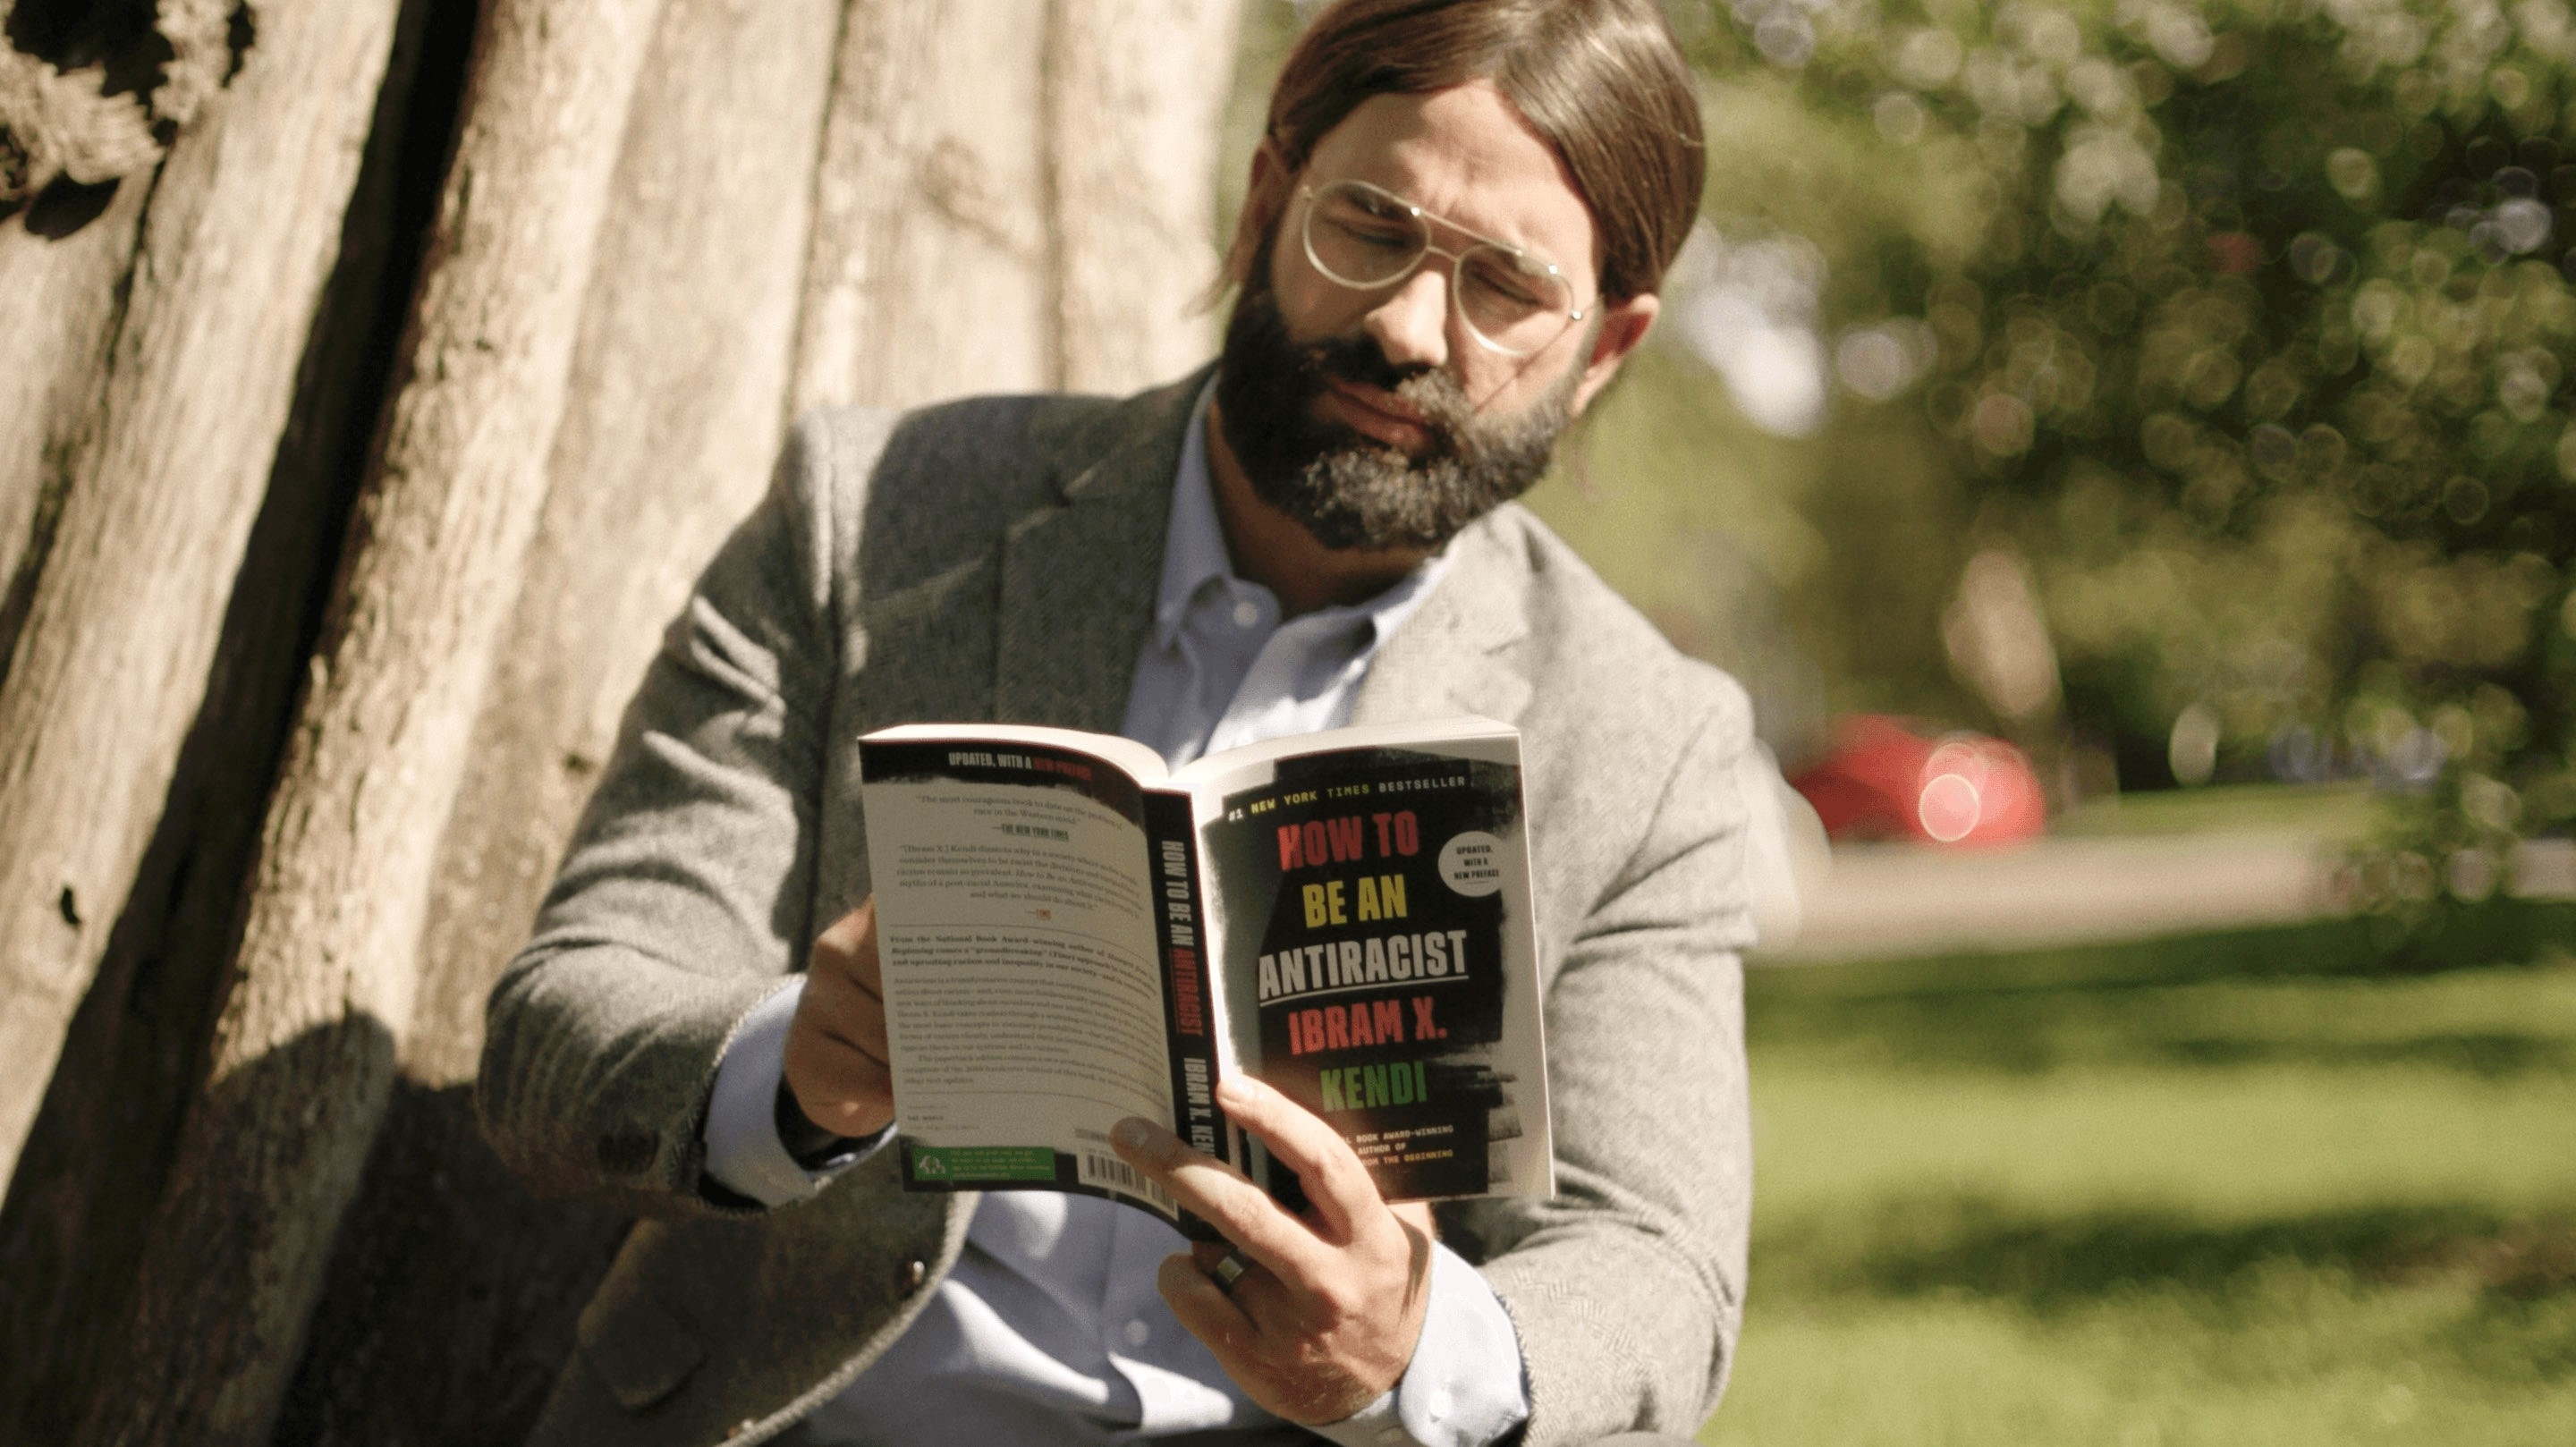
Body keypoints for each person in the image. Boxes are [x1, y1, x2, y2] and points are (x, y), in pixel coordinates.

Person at [478, 3, 1757, 1443]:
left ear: (1605, 347)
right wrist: (796, 1063)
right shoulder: (871, 515)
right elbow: (558, 1029)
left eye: (1506, 290)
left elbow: (1660, 1264)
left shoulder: (1652, 743)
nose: (1405, 326)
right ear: (1268, 199)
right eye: (1369, 226)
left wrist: (1414, 1339)